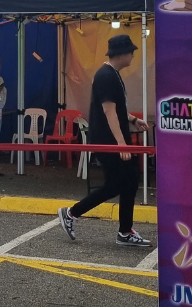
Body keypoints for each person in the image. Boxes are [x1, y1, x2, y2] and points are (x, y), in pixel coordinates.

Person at [58, 35, 151, 247]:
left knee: (129, 180)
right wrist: (121, 143)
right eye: (131, 52)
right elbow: (108, 111)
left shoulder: (111, 74)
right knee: (117, 183)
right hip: (107, 140)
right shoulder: (106, 76)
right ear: (123, 53)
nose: (133, 55)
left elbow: (116, 109)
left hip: (111, 138)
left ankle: (125, 231)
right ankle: (72, 213)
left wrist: (133, 119)